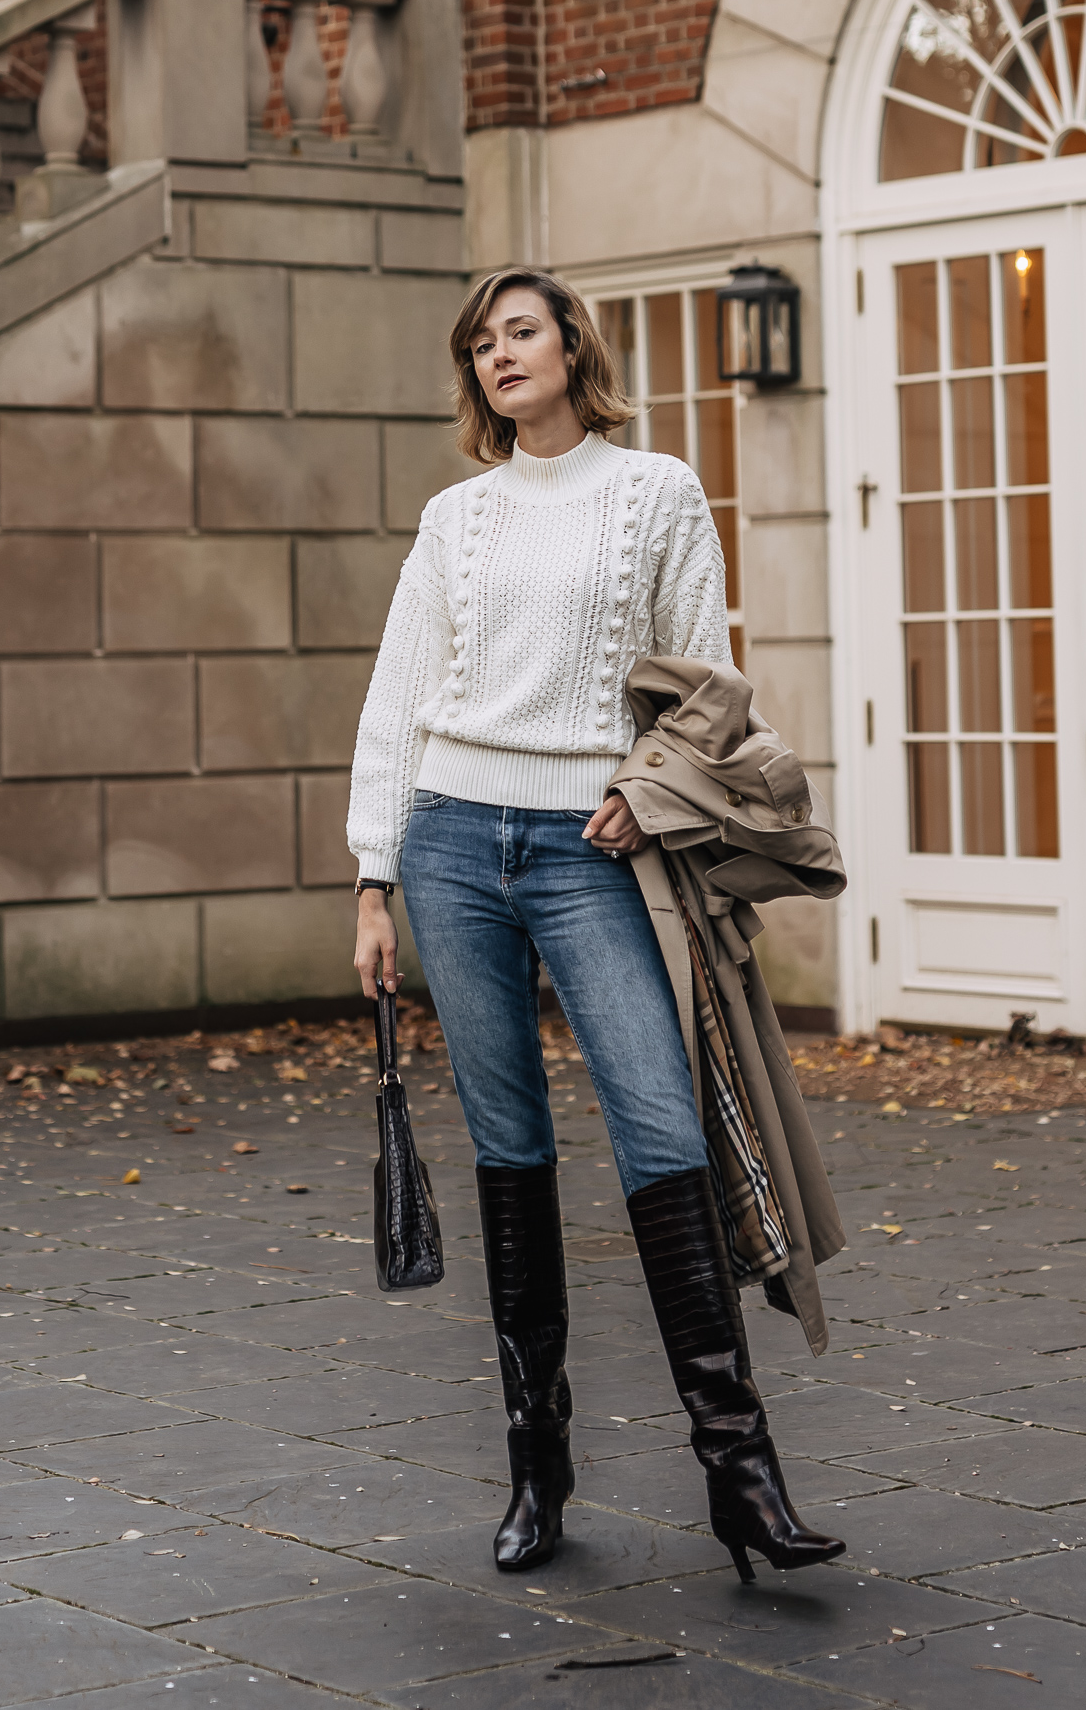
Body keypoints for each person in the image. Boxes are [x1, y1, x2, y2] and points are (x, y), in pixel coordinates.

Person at [348, 269, 844, 1585]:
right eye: (479, 342)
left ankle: (741, 1475)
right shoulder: (455, 518)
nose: (498, 353)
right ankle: (537, 1464)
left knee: (662, 1129)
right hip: (451, 838)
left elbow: (703, 683)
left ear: (574, 344)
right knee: (509, 1147)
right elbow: (399, 699)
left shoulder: (656, 492)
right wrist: (370, 875)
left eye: (520, 329)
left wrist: (639, 786)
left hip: (587, 848)